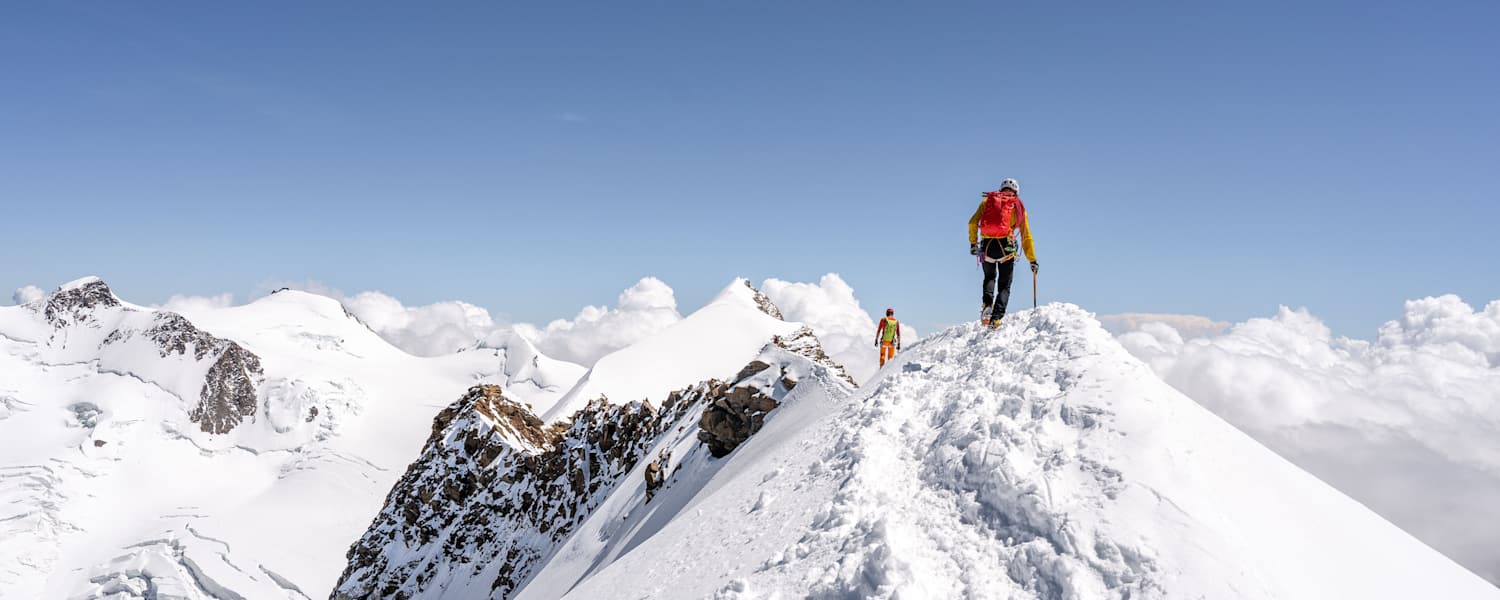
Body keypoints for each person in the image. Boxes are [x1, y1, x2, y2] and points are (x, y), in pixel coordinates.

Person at [968, 178, 1037, 327]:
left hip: (987, 247)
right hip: (1006, 248)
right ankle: (996, 318)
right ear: (1016, 192)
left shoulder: (987, 201)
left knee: (989, 277)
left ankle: (987, 305)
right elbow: (1026, 236)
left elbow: (972, 222)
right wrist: (1032, 259)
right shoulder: (1018, 207)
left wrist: (973, 243)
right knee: (1005, 285)